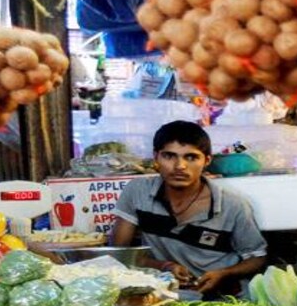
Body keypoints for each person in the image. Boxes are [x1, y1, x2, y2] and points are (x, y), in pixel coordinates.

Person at [112, 121, 267, 295]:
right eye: (169, 156)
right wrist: (164, 266)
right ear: (156, 157)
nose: (180, 166)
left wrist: (224, 274)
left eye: (191, 157)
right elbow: (119, 252)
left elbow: (256, 257)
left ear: (206, 161)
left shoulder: (233, 205)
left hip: (222, 299)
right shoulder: (137, 191)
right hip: (164, 297)